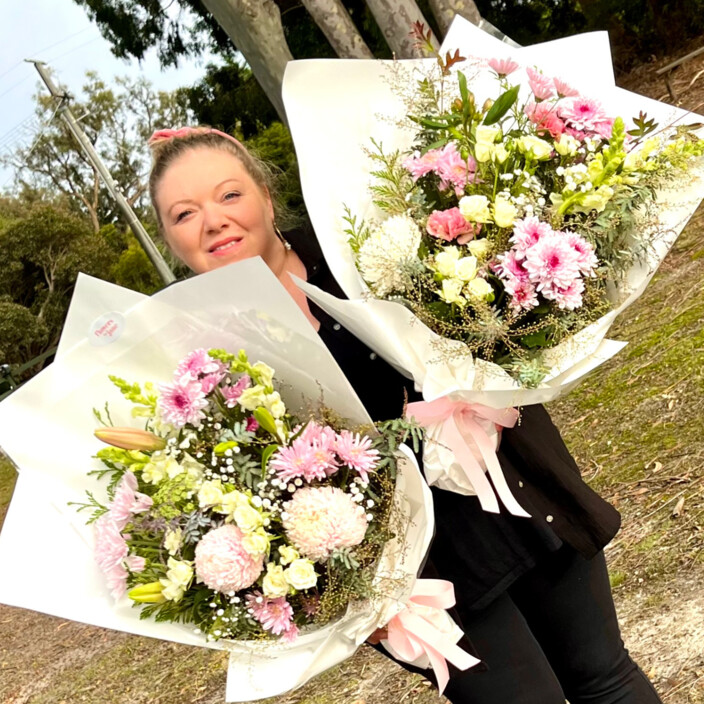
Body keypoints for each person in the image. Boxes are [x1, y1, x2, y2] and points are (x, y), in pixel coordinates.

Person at [147, 126, 663, 704]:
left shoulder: (364, 244)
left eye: (229, 195)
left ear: (267, 197)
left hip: (505, 482)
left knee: (602, 676)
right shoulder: (202, 367)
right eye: (184, 213)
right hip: (413, 562)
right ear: (169, 238)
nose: (213, 219)